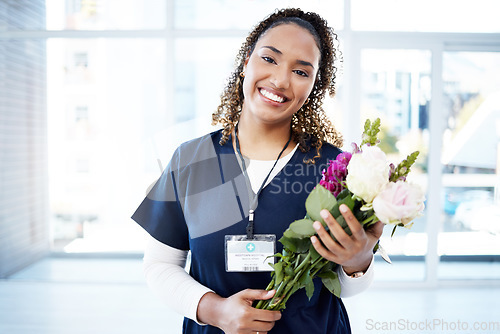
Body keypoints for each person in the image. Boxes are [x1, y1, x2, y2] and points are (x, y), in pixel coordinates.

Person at [132, 8, 383, 334]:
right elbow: (160, 265)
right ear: (246, 62)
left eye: (301, 72)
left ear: (313, 88)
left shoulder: (336, 169)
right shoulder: (190, 160)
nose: (280, 79)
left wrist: (358, 263)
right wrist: (217, 311)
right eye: (269, 59)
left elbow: (344, 289)